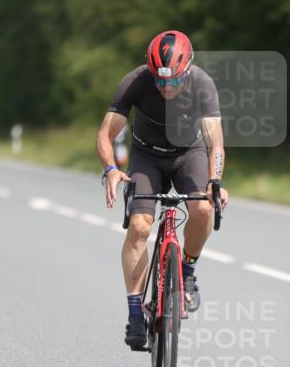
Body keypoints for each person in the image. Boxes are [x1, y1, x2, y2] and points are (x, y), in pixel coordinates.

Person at [96, 30, 229, 349]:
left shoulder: (202, 83)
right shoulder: (136, 81)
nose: (166, 87)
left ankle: (187, 271)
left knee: (203, 208)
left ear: (188, 70)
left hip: (188, 155)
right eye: (160, 81)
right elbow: (105, 134)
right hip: (146, 156)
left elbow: (215, 142)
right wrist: (111, 169)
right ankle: (135, 314)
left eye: (174, 81)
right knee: (140, 227)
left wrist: (215, 181)